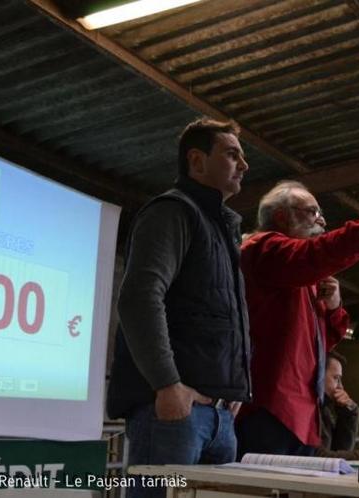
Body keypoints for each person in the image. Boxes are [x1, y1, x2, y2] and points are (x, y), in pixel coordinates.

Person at [106, 118, 251, 498]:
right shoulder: (172, 212)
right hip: (175, 414)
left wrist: (230, 390)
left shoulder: (221, 227)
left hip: (218, 416)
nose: (244, 165)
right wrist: (167, 384)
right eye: (233, 154)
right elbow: (139, 296)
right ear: (197, 161)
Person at [236, 180, 359, 457]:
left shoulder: (300, 275)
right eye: (312, 212)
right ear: (281, 216)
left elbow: (322, 344)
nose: (322, 220)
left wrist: (334, 307)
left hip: (298, 415)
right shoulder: (263, 249)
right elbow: (322, 252)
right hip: (271, 410)